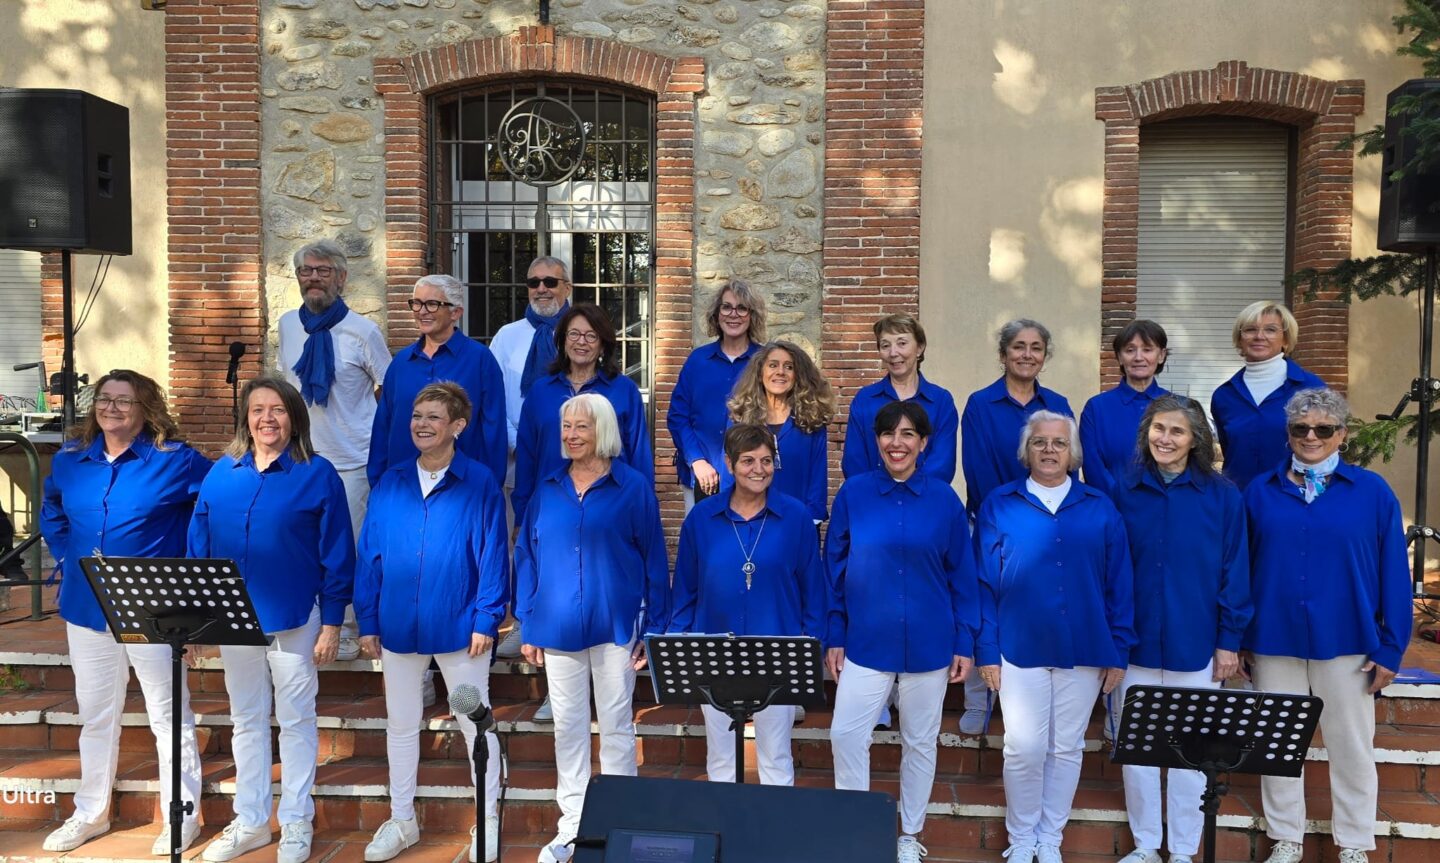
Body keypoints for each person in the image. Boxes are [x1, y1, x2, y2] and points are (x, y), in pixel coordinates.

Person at [38, 370, 211, 855]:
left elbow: (210, 510)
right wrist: (67, 552)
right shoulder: (71, 460)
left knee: (168, 715)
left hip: (153, 607)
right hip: (85, 606)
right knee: (96, 715)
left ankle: (182, 815)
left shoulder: (176, 462)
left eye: (124, 402)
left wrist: (190, 585)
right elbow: (51, 505)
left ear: (145, 410)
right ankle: (90, 812)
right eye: (105, 400)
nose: (111, 409)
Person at [190, 377, 355, 863]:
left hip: (294, 616)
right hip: (234, 619)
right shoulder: (221, 473)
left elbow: (338, 552)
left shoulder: (317, 474)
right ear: (246, 417)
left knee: (297, 721)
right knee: (246, 720)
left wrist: (332, 621)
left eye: (278, 410)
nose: (267, 418)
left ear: (294, 418)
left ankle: (297, 820)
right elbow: (198, 545)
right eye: (258, 409)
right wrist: (200, 617)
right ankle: (252, 821)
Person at [1242, 388, 1410, 863]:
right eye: (1301, 428)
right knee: (1277, 746)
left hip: (1350, 642)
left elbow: (1396, 573)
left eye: (1324, 428)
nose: (1311, 436)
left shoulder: (1373, 492)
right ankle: (1286, 837)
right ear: (1288, 433)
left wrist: (1391, 647)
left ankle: (1355, 842)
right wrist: (1241, 638)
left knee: (1352, 747)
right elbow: (1240, 569)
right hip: (1275, 639)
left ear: (1342, 434)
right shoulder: (1260, 491)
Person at [355, 383, 508, 863]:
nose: (421, 424)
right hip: (398, 627)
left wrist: (487, 617)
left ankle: (487, 823)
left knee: (473, 724)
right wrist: (367, 619)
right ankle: (402, 820)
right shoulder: (391, 482)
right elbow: (370, 556)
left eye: (433, 417)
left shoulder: (479, 481)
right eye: (417, 416)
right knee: (400, 724)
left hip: (460, 627)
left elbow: (492, 552)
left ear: (458, 427)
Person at [514, 393, 669, 863]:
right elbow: (527, 555)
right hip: (557, 628)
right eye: (566, 427)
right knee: (569, 727)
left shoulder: (634, 487)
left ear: (602, 431)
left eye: (580, 427)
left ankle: (621, 819)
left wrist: (654, 625)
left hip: (616, 625)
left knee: (618, 724)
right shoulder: (548, 487)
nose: (571, 435)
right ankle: (574, 824)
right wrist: (528, 621)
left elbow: (654, 559)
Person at [975, 411, 1135, 863]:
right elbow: (982, 583)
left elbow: (1119, 584)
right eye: (1040, 442)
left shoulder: (1099, 506)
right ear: (1026, 451)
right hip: (1018, 646)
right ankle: (1022, 839)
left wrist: (1119, 649)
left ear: (1073, 453)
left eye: (1059, 443)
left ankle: (1050, 840)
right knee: (1024, 747)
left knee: (1065, 748)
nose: (1049, 450)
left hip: (1084, 646)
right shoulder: (999, 504)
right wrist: (986, 649)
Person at [826, 401, 977, 863]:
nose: (897, 443)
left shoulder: (944, 499)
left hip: (930, 643)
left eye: (908, 434)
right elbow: (833, 567)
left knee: (919, 741)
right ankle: (855, 827)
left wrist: (964, 641)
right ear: (877, 441)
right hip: (867, 641)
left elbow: (963, 575)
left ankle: (910, 834)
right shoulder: (854, 494)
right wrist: (835, 633)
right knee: (846, 734)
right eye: (889, 434)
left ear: (924, 443)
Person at [1108, 395, 1252, 863]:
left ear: (1196, 440)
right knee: (1140, 752)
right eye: (1158, 429)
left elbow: (1235, 570)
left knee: (1194, 753)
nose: (1165, 439)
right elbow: (1108, 567)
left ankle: (1185, 850)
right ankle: (1147, 845)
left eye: (1177, 431)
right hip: (1135, 642)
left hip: (1198, 642)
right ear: (1145, 432)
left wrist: (1229, 640)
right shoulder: (1122, 488)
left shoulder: (1223, 495)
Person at [669, 423, 825, 784]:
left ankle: (773, 837)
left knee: (775, 754)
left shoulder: (796, 517)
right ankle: (726, 832)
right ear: (728, 463)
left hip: (777, 648)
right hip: (715, 651)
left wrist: (813, 644)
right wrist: (680, 643)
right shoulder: (702, 520)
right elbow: (686, 591)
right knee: (722, 756)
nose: (759, 469)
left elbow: (813, 588)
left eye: (767, 460)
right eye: (748, 460)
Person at [277, 239, 392, 662]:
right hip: (303, 460)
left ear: (341, 278)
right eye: (306, 271)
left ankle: (350, 626)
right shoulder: (289, 325)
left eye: (323, 271)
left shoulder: (362, 331)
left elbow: (387, 392)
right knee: (308, 544)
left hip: (353, 460)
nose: (313, 278)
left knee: (351, 548)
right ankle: (318, 621)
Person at [958, 319, 1072, 734]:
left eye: (1036, 347)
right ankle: (977, 697)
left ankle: (1031, 697)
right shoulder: (980, 403)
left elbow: (1065, 457)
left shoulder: (1058, 403)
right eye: (1019, 347)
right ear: (1003, 354)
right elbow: (977, 465)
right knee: (984, 601)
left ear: (1045, 355)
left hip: (1044, 521)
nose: (1027, 354)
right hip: (995, 516)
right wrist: (1006, 511)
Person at [488, 257, 573, 664]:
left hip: (567, 459)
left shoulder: (578, 334)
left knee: (558, 543)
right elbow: (492, 396)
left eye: (550, 281)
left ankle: (555, 619)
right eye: (533, 282)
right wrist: (516, 440)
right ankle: (520, 622)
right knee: (517, 543)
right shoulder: (507, 336)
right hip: (515, 457)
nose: (541, 289)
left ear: (567, 286)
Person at [512, 303, 652, 521]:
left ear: (603, 345)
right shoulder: (540, 392)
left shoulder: (624, 391)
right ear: (563, 341)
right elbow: (527, 456)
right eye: (574, 334)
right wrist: (522, 515)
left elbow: (638, 453)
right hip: (550, 508)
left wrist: (644, 510)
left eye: (591, 336)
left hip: (611, 508)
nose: (581, 342)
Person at [369, 274, 508, 490]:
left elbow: (494, 429)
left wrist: (489, 488)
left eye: (432, 304)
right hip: (402, 488)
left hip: (462, 489)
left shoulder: (480, 360)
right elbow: (383, 427)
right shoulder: (401, 364)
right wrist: (377, 483)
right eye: (416, 303)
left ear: (456, 312)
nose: (422, 311)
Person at [669, 280, 767, 508]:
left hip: (751, 477)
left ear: (752, 315)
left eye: (742, 308)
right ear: (717, 313)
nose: (734, 314)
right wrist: (697, 460)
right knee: (702, 542)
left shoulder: (764, 361)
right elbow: (677, 416)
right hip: (702, 477)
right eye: (727, 307)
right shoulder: (697, 361)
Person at [1210, 301, 1324, 490]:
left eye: (1270, 330)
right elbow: (1230, 451)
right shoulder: (1224, 396)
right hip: (1239, 504)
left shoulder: (1312, 389)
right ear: (1240, 338)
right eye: (1250, 330)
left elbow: (1326, 451)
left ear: (1286, 339)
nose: (1259, 336)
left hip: (1295, 502)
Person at [727, 340, 835, 522]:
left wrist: (809, 521)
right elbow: (730, 473)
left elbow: (818, 479)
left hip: (799, 521)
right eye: (773, 365)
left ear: (798, 375)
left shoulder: (812, 420)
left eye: (789, 367)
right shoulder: (740, 418)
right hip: (749, 520)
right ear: (760, 374)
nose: (780, 372)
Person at [842, 314, 958, 482]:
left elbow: (942, 463)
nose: (893, 353)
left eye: (902, 343)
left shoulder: (941, 401)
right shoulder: (865, 399)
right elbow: (854, 462)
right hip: (873, 502)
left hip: (924, 502)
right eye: (885, 345)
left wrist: (910, 495)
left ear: (919, 348)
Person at [1078, 320, 1169, 495]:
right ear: (1119, 357)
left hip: (1169, 510)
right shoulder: (1097, 409)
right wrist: (1123, 504)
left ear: (1161, 355)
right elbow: (1093, 468)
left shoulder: (1180, 408)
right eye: (1130, 350)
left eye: (1147, 349)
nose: (1138, 357)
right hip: (1114, 511)